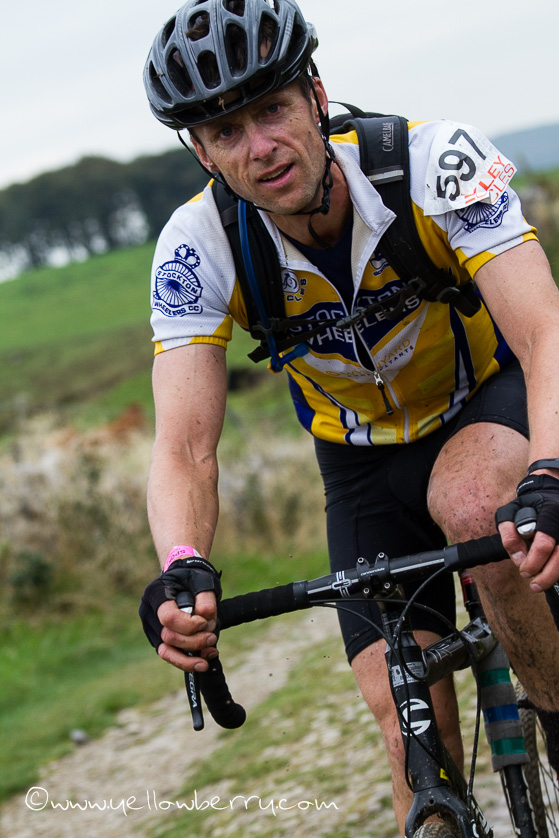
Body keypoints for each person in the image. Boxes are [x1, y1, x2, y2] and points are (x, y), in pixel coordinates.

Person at [139, 0, 559, 831]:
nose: (259, 147)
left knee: (474, 504)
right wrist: (183, 564)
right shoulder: (196, 245)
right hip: (361, 466)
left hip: (483, 401)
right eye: (225, 132)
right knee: (407, 734)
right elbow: (184, 447)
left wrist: (546, 471)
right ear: (201, 152)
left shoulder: (431, 162)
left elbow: (543, 333)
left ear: (315, 96)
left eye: (271, 110)